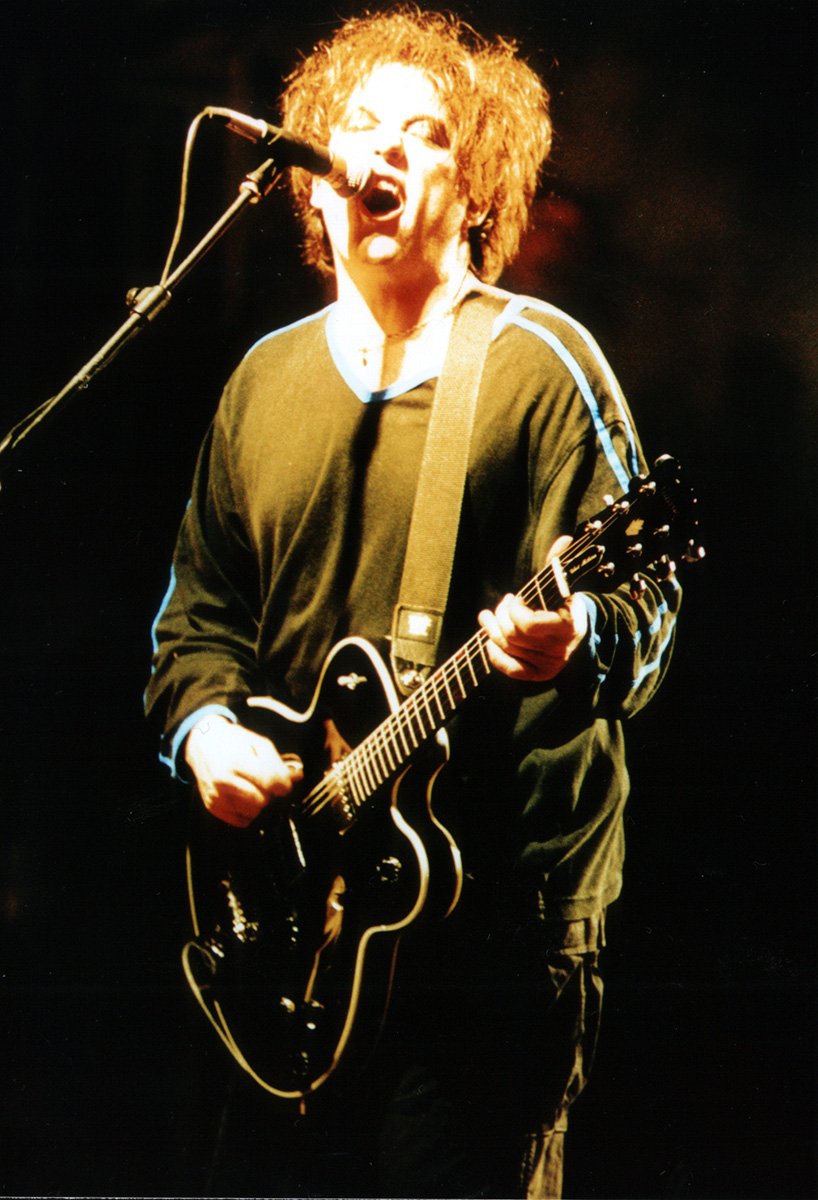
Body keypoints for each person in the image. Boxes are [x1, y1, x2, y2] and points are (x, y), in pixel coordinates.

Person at [145, 8, 681, 1197]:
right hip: (295, 917)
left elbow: (647, 606)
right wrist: (207, 733)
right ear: (309, 177)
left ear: (475, 188)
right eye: (356, 125)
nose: (380, 147)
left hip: (487, 945)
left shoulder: (540, 366)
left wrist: (575, 638)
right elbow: (197, 620)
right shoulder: (262, 382)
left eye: (424, 132)